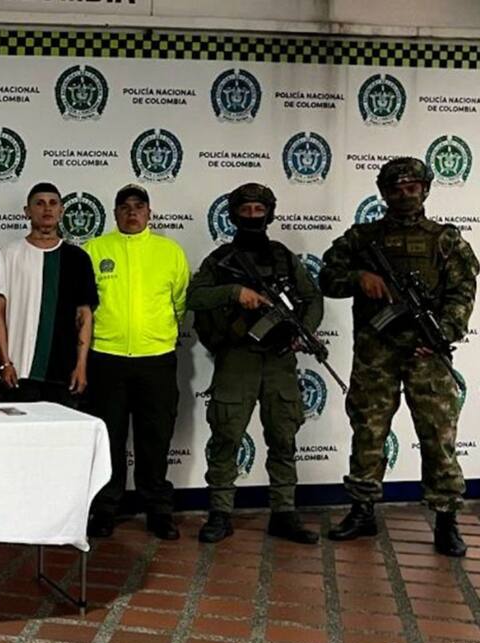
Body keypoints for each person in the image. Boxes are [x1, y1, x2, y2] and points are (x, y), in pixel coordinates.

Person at [320, 157, 478, 557]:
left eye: (412, 188)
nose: (405, 195)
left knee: (438, 436)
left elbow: (463, 292)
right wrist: (359, 277)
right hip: (376, 351)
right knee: (368, 431)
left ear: (425, 189)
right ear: (384, 193)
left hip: (427, 353)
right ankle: (362, 510)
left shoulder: (445, 240)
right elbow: (327, 278)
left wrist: (443, 334)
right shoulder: (362, 238)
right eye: (396, 189)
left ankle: (446, 519)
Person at [187, 183, 321, 545]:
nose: (252, 216)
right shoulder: (220, 259)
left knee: (283, 437)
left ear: (269, 214)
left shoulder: (283, 257)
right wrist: (235, 292)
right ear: (233, 215)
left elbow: (312, 298)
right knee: (227, 436)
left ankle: (284, 512)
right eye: (245, 210)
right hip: (238, 357)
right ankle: (220, 513)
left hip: (279, 358)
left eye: (258, 210)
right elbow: (195, 298)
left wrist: (304, 331)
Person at [83, 184, 189, 540]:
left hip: (155, 361)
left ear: (149, 213)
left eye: (139, 206)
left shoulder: (170, 252)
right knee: (108, 438)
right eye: (125, 206)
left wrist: (157, 336)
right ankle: (104, 509)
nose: (132, 212)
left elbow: (179, 303)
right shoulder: (95, 250)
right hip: (106, 359)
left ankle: (158, 511)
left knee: (154, 439)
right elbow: (84, 308)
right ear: (115, 213)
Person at [0, 183, 97, 406]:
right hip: (19, 372)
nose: (47, 209)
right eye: (39, 203)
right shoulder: (9, 254)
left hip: (64, 374)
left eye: (53, 203)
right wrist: (4, 362)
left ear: (61, 210)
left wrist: (81, 366)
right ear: (27, 211)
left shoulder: (78, 258)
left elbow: (85, 317)